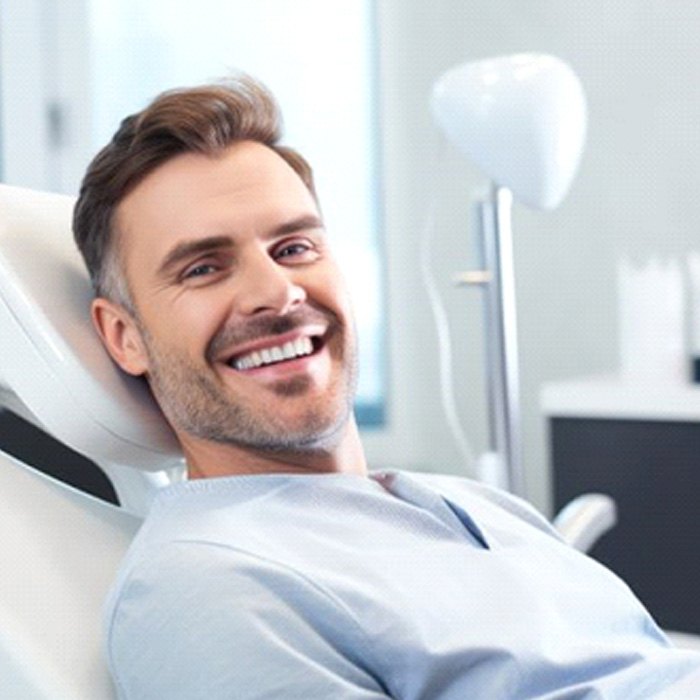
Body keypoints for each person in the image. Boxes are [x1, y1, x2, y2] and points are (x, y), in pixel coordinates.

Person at [73, 75, 700, 699]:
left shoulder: (474, 506)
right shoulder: (209, 586)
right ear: (124, 336)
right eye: (204, 268)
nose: (276, 293)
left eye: (293, 247)